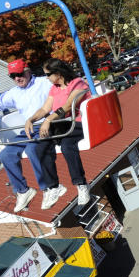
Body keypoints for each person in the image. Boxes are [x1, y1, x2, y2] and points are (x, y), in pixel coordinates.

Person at [0, 59, 54, 212]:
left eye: (19, 74)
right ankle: (23, 191)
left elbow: (65, 85)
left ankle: (49, 189)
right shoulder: (14, 93)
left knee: (33, 150)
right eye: (13, 76)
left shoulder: (44, 83)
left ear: (28, 71)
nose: (17, 78)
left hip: (46, 125)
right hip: (28, 129)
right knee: (6, 155)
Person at [25, 59, 91, 207]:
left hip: (79, 122)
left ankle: (81, 184)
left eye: (48, 74)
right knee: (40, 147)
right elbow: (45, 109)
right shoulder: (54, 88)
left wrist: (48, 120)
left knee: (67, 146)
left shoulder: (78, 84)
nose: (46, 78)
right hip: (61, 124)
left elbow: (68, 106)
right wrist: (31, 119)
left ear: (58, 73)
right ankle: (54, 186)